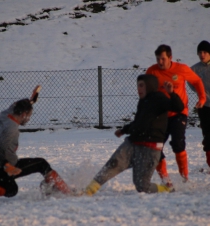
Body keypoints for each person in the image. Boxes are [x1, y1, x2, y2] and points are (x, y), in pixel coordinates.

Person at [85, 74, 184, 196]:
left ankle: (166, 189)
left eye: (141, 85)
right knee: (112, 165)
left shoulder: (160, 98)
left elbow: (179, 107)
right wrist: (124, 130)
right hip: (132, 144)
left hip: (150, 148)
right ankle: (88, 191)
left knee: (142, 186)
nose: (139, 89)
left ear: (150, 86)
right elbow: (139, 122)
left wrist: (172, 93)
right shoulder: (143, 101)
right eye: (138, 86)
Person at [0, 86, 71, 200]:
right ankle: (67, 193)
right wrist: (7, 165)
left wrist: (31, 101)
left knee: (18, 181)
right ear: (23, 114)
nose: (28, 119)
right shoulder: (11, 129)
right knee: (16, 186)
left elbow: (18, 105)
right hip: (2, 168)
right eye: (28, 116)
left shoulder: (6, 114)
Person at [146, 44, 206, 185]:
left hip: (179, 113)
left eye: (162, 59)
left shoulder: (181, 69)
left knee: (178, 143)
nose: (160, 62)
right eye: (157, 59)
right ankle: (166, 180)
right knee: (154, 147)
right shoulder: (152, 71)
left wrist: (202, 98)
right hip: (160, 115)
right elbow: (144, 87)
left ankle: (185, 178)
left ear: (170, 58)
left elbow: (197, 81)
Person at [188, 40, 210, 167]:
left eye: (205, 52)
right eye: (200, 52)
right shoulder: (194, 69)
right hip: (205, 106)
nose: (202, 54)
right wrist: (202, 94)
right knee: (207, 135)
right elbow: (191, 83)